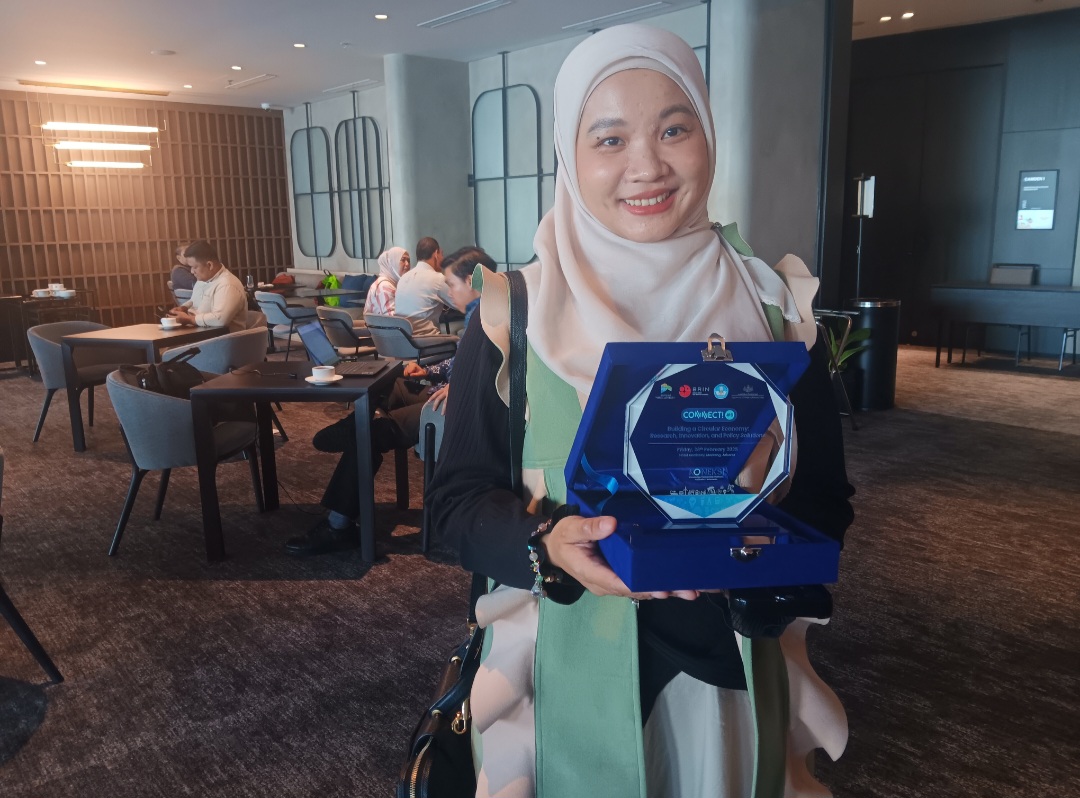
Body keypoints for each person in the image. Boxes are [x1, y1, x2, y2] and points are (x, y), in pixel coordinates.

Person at [427, 25, 854, 798]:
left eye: (674, 129)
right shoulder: (514, 314)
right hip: (561, 677)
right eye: (610, 138)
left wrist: (759, 543)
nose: (646, 166)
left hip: (729, 681)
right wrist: (546, 543)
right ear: (570, 154)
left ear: (708, 136)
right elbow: (454, 507)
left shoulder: (773, 310)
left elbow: (826, 498)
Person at [285, 247, 497, 558]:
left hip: (459, 407)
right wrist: (428, 370)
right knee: (391, 384)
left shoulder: (493, 319)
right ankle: (355, 425)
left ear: (471, 280)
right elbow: (458, 363)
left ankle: (337, 526)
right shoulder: (479, 313)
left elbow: (499, 372)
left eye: (451, 284)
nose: (449, 292)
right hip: (447, 392)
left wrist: (462, 385)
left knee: (369, 435)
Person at [169, 240, 248, 332]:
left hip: (222, 338)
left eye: (195, 267)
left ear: (209, 265)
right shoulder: (202, 280)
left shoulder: (227, 284)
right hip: (200, 332)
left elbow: (220, 319)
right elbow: (194, 300)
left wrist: (189, 319)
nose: (192, 271)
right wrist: (183, 308)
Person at [393, 236, 455, 336]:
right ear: (436, 254)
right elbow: (462, 304)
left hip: (404, 340)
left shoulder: (403, 279)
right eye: (442, 254)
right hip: (427, 340)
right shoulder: (437, 278)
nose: (442, 258)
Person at [363, 246, 411, 316]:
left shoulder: (394, 283)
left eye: (408, 261)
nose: (407, 264)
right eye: (403, 260)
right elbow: (391, 318)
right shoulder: (384, 286)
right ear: (392, 263)